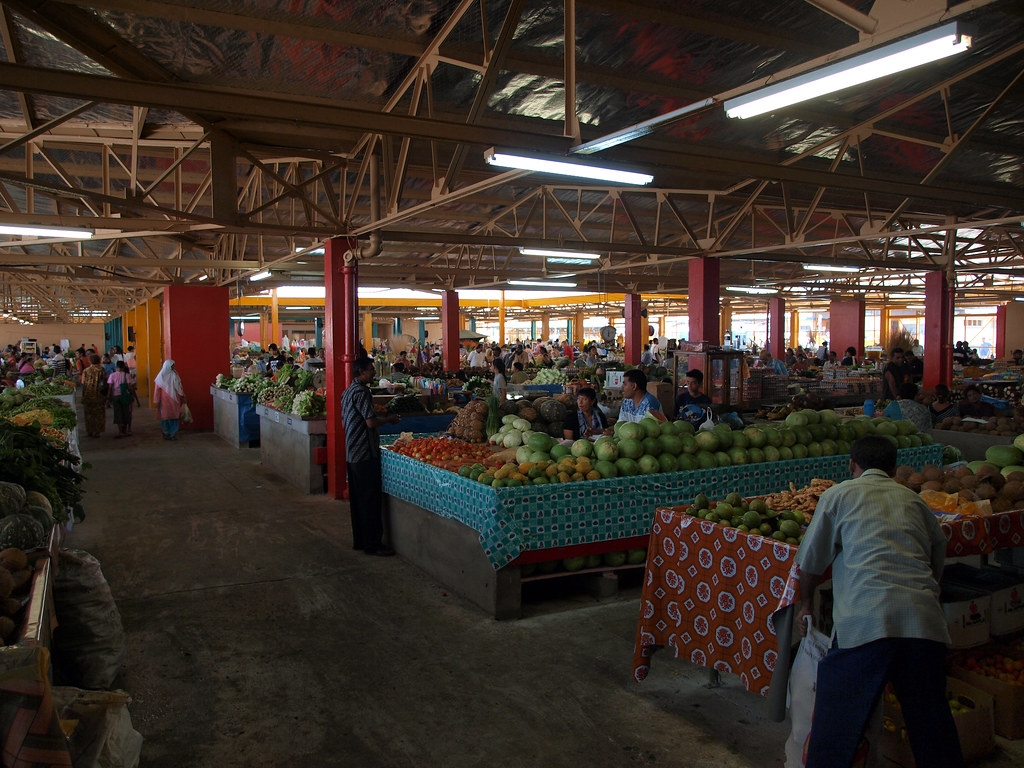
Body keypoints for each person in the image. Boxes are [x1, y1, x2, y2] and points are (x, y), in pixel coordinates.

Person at [795, 435, 963, 768]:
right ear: (892, 467)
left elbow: (810, 561)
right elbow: (936, 556)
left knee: (836, 724)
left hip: (865, 622)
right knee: (932, 727)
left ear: (851, 465)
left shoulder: (839, 494)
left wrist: (806, 604)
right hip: (923, 623)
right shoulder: (913, 500)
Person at [343, 356, 401, 557]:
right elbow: (370, 422)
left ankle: (360, 540)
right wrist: (389, 419)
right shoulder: (361, 392)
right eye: (370, 370)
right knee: (370, 500)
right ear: (360, 372)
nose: (374, 373)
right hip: (365, 452)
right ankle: (373, 544)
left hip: (352, 451)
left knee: (358, 500)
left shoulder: (348, 390)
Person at [153, 359, 187, 440]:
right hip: (171, 400)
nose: (173, 367)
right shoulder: (169, 375)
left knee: (169, 416)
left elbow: (157, 390)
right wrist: (183, 396)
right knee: (170, 416)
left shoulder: (164, 375)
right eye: (172, 365)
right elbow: (178, 387)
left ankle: (168, 433)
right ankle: (170, 433)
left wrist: (157, 401)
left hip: (168, 400)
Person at [105, 360, 136, 437]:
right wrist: (132, 395)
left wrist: (108, 397)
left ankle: (120, 431)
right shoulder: (127, 375)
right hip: (125, 396)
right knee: (126, 412)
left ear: (116, 367)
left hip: (116, 396)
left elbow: (110, 387)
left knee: (118, 413)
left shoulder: (112, 375)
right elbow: (130, 387)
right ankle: (125, 430)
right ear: (123, 367)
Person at [80, 353, 108, 438]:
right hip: (99, 395)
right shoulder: (102, 370)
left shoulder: (86, 370)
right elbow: (105, 382)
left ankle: (90, 430)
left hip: (88, 395)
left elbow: (83, 383)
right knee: (99, 414)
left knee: (89, 414)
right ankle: (97, 431)